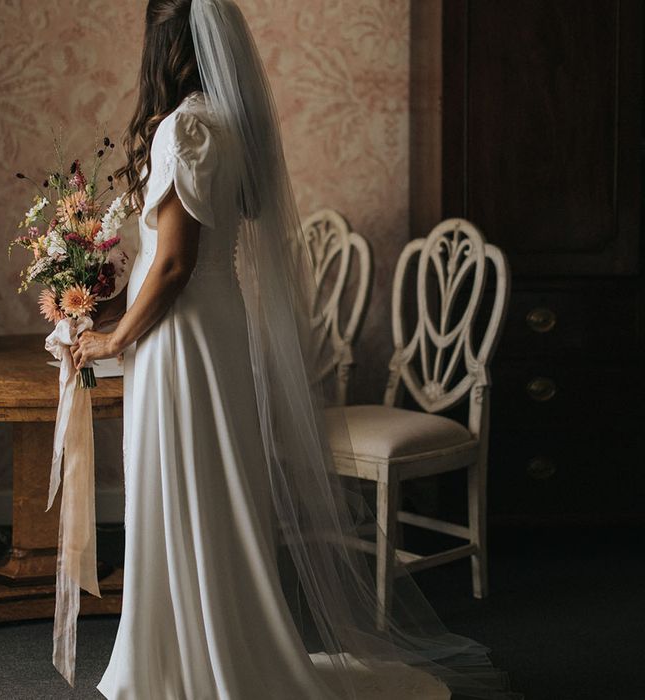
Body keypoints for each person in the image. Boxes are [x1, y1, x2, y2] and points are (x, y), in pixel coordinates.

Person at [71, 1, 523, 698]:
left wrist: (111, 336)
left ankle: (185, 657)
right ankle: (209, 643)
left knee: (183, 479)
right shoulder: (227, 123)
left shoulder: (183, 127)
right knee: (210, 484)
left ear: (163, 43)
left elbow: (171, 265)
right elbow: (216, 233)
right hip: (216, 324)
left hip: (182, 332)